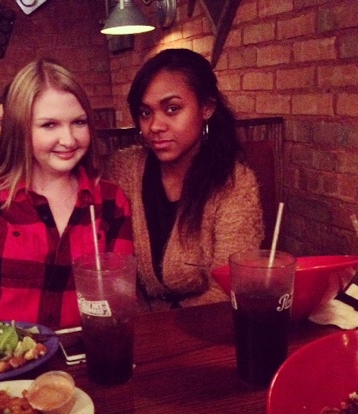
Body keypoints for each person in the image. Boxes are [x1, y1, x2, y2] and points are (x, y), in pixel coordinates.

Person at [0, 58, 133, 341]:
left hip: (85, 352)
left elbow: (119, 298)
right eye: (49, 125)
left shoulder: (111, 201)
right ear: (19, 130)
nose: (69, 139)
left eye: (78, 122)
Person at [106, 48, 264, 311]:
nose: (155, 126)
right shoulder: (123, 170)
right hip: (135, 323)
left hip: (206, 322)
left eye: (172, 109)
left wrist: (167, 326)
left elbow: (229, 286)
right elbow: (112, 268)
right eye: (145, 113)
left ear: (207, 108)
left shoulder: (234, 183)